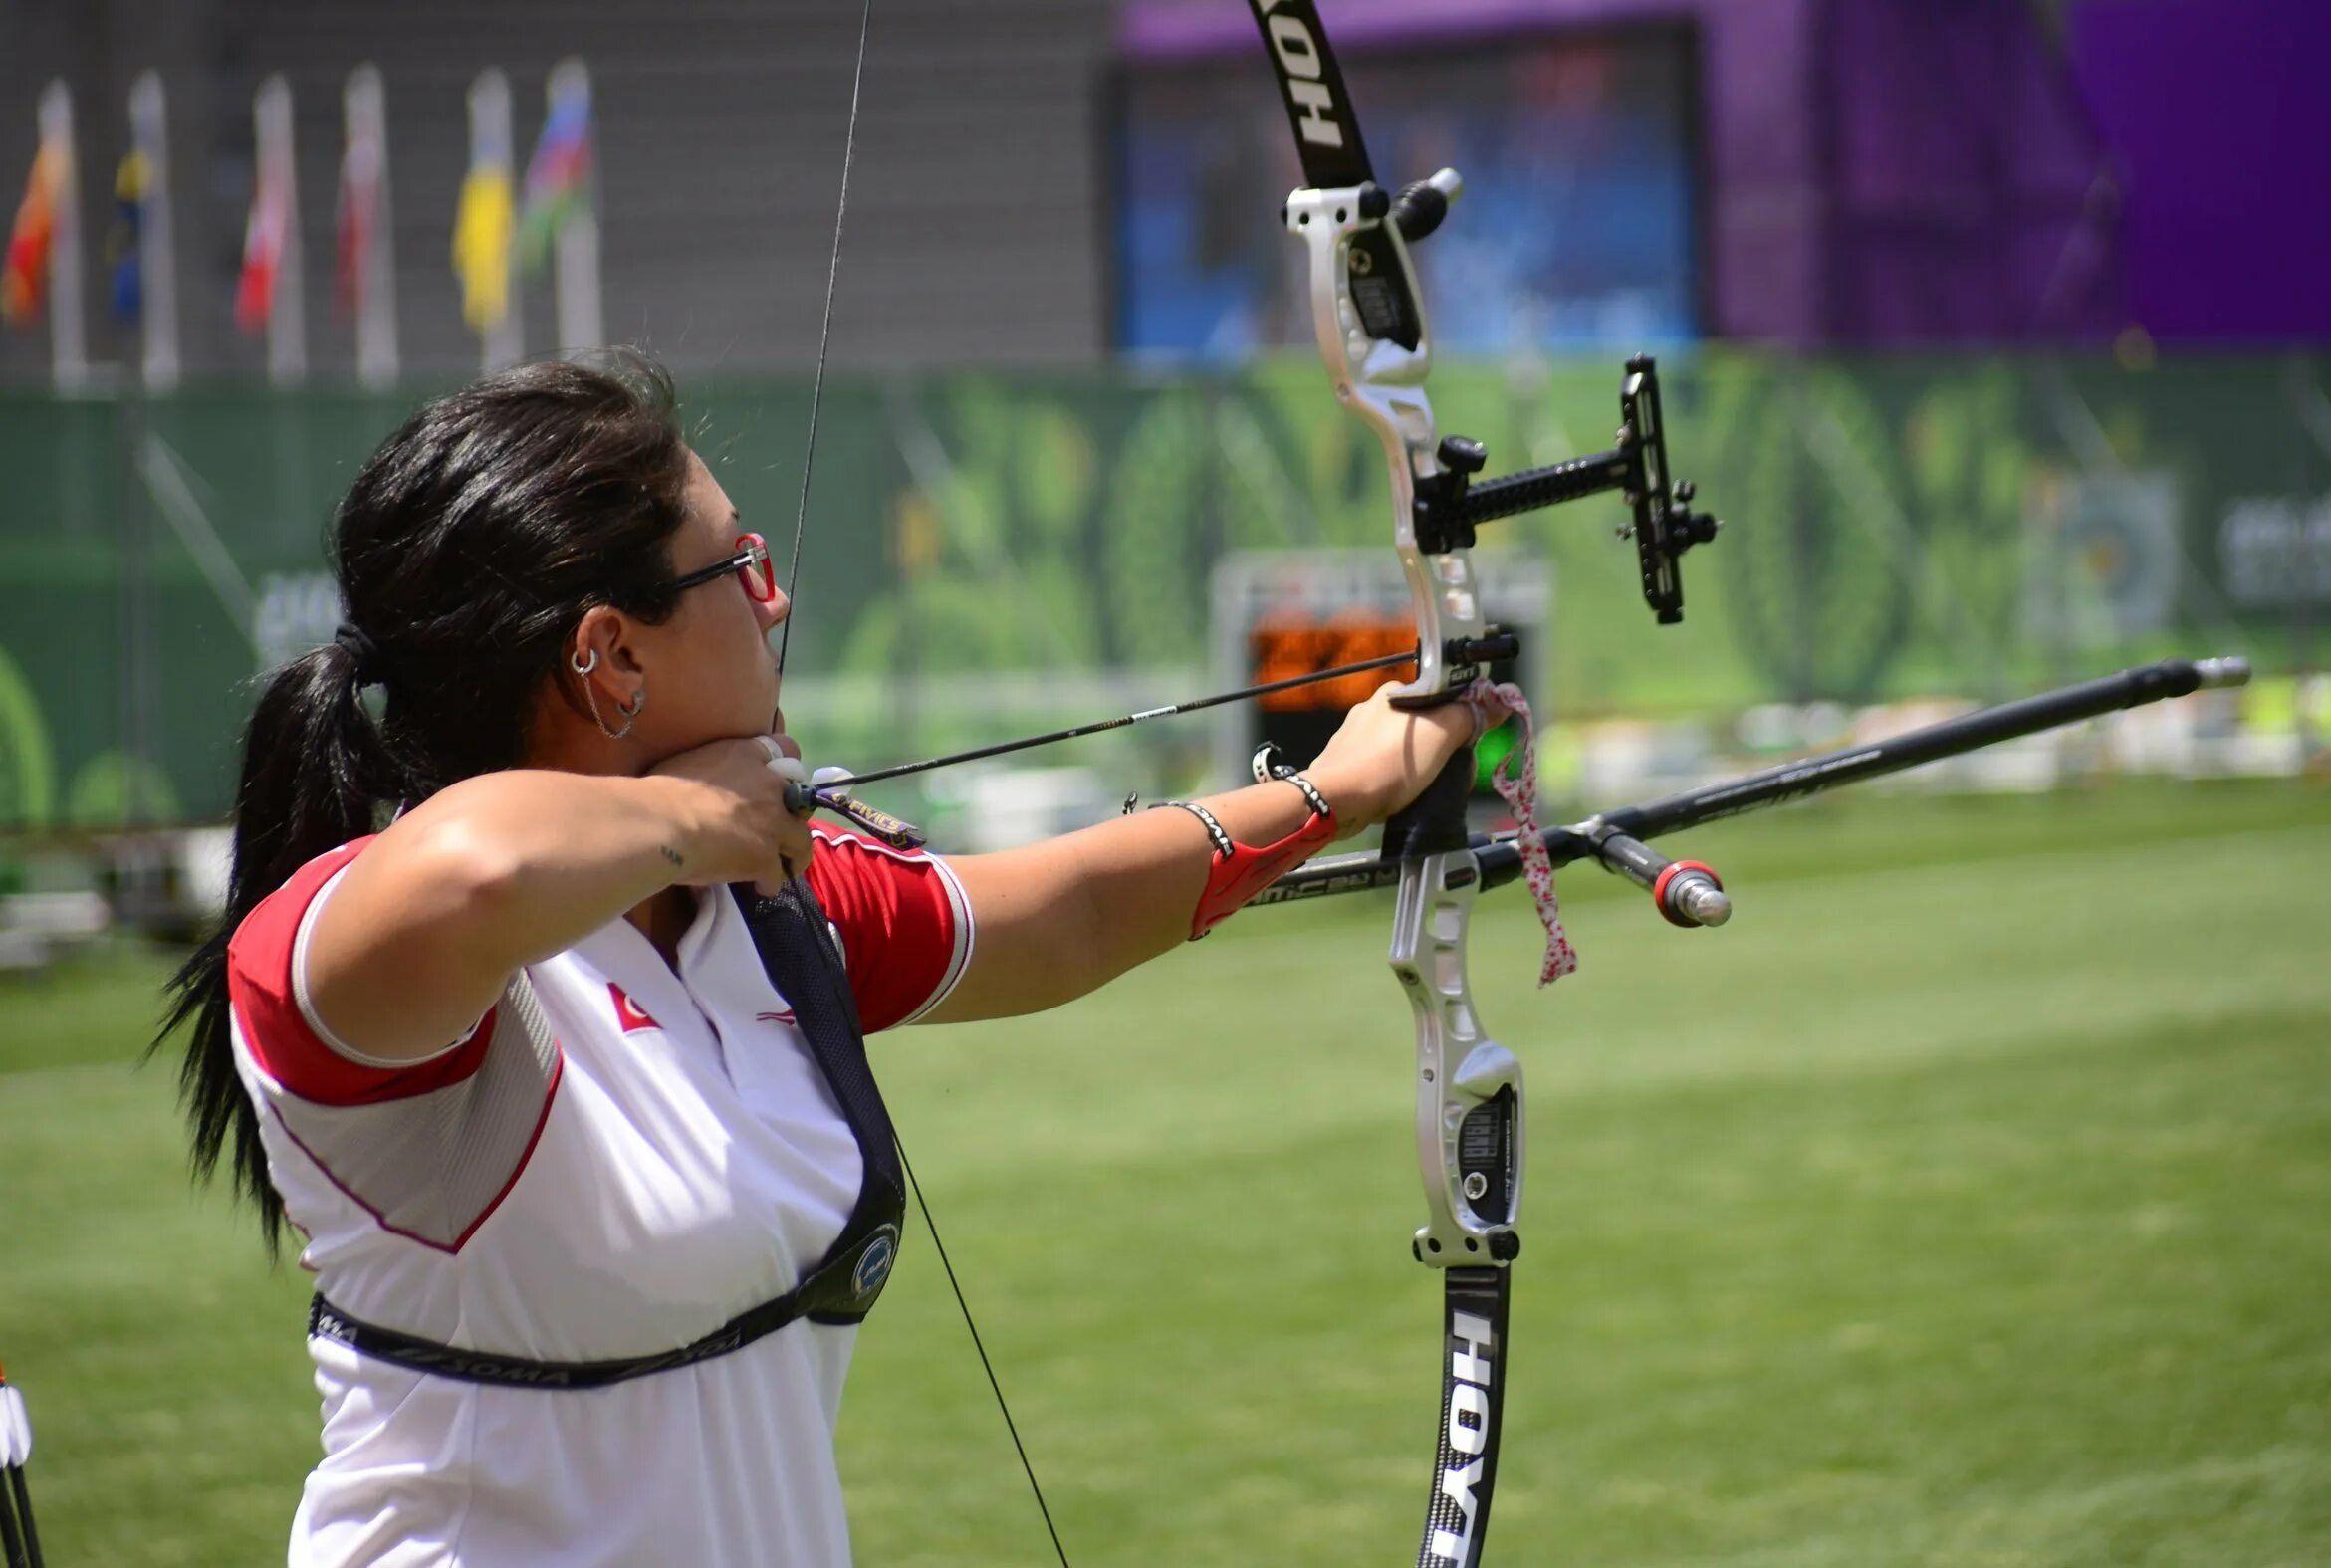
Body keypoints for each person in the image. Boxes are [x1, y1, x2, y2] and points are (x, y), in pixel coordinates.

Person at [157, 352, 1475, 1566]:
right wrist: (691, 818)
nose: (773, 598)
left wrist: (1336, 789)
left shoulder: (761, 915)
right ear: (610, 657)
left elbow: (1065, 913)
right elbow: (479, 867)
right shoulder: (358, 950)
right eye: (735, 566)